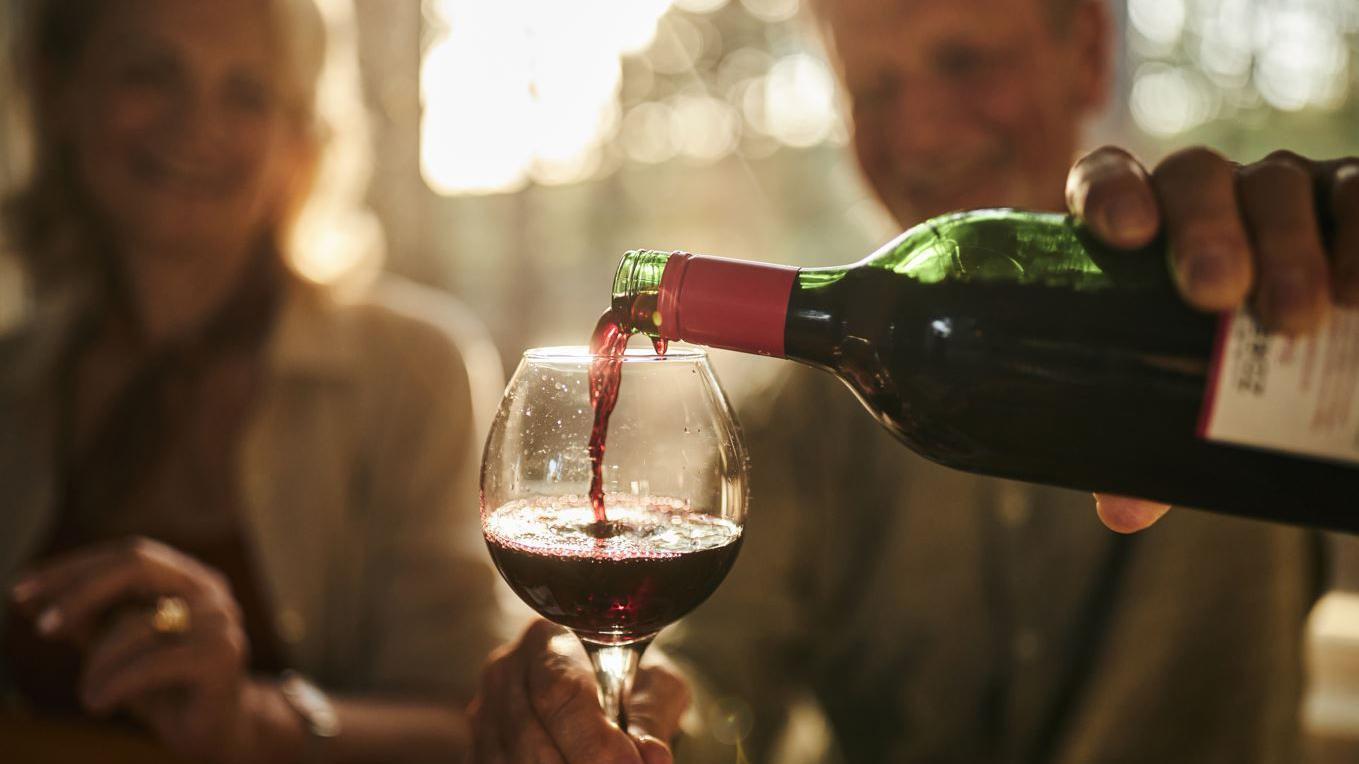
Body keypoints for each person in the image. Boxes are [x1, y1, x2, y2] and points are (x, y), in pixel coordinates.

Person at [466, 0, 1356, 762]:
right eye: (875, 89)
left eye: (964, 60)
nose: (920, 129)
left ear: (1085, 52)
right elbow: (715, 686)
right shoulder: (799, 430)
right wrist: (618, 714)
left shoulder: (1266, 309)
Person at [0, 0, 504, 761]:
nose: (196, 124)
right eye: (151, 73)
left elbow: (474, 724)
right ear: (60, 91)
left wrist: (251, 720)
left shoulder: (414, 371)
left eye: (246, 93)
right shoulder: (13, 377)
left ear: (299, 141)